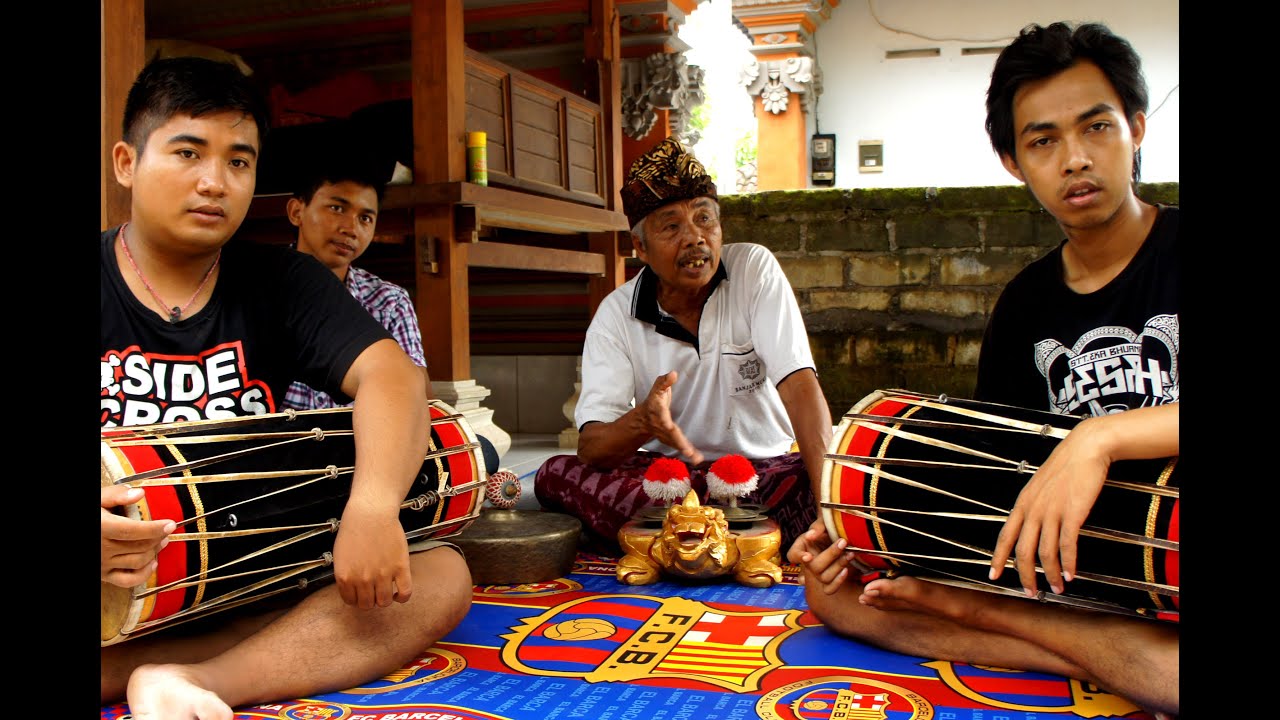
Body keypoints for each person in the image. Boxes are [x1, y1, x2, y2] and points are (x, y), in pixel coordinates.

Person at [787, 21, 1178, 718]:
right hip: (1091, 570)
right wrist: (859, 529)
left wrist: (1101, 437)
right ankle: (1103, 646)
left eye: (1097, 128)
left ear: (1138, 129)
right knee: (833, 595)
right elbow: (991, 475)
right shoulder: (1026, 305)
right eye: (1044, 141)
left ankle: (1017, 629)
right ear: (1013, 162)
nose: (1076, 159)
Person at [99, 56, 472, 719]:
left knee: (441, 577)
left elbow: (391, 376)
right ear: (127, 162)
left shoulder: (278, 279)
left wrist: (373, 507)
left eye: (239, 162)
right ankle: (214, 660)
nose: (214, 182)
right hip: (110, 568)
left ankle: (197, 681)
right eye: (188, 152)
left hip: (247, 574)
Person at [534, 136, 834, 555]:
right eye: (672, 227)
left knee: (840, 476)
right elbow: (593, 448)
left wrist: (829, 507)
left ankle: (675, 544)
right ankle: (746, 542)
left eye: (704, 219)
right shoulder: (616, 313)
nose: (695, 239)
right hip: (667, 482)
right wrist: (643, 422)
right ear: (640, 247)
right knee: (556, 473)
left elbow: (800, 385)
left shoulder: (753, 269)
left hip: (764, 474)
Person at [281, 144, 431, 410]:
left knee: (480, 448)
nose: (351, 229)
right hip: (277, 444)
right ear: (297, 212)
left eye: (365, 218)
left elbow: (417, 395)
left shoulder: (389, 301)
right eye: (337, 208)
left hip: (357, 444)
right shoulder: (258, 285)